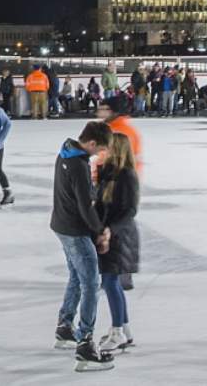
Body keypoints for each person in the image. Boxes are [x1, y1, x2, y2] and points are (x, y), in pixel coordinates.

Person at [51, 121, 115, 372]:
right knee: (90, 283)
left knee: (76, 278)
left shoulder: (65, 151)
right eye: (99, 149)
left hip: (61, 226)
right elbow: (84, 206)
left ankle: (65, 327)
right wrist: (99, 231)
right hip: (75, 231)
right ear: (90, 143)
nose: (100, 154)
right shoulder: (78, 164)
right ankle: (85, 345)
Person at [95, 132, 140, 354]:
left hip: (121, 236)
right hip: (107, 233)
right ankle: (125, 329)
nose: (104, 149)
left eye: (108, 147)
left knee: (111, 282)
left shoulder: (128, 176)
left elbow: (130, 210)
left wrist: (110, 230)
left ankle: (117, 331)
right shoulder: (108, 173)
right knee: (110, 282)